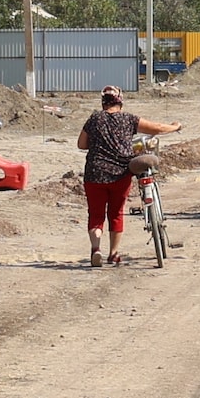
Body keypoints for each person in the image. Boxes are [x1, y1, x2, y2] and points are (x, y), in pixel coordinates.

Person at [77, 86, 183, 265]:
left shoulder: (94, 119)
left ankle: (96, 249)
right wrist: (175, 127)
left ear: (103, 103)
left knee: (96, 214)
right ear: (120, 102)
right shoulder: (129, 119)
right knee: (116, 213)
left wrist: (100, 143)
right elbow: (155, 128)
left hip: (95, 173)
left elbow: (81, 144)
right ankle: (113, 253)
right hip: (121, 174)